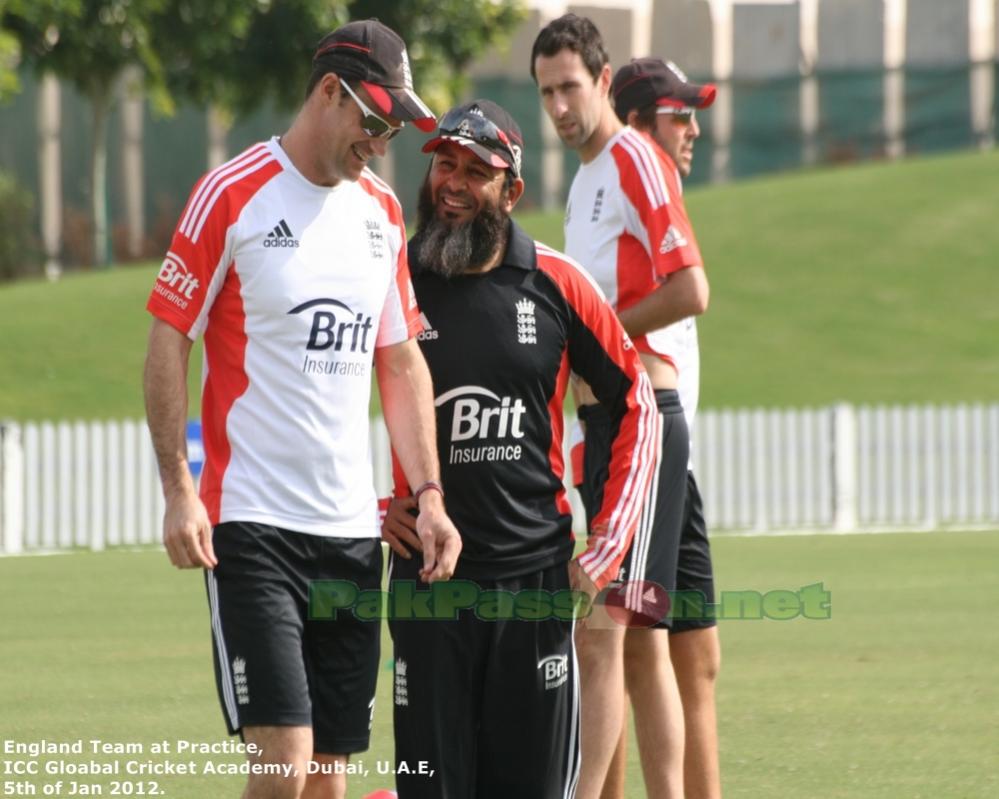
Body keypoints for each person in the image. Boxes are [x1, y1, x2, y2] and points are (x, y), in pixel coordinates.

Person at [142, 19, 461, 799]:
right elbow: (166, 340)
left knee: (327, 776)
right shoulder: (232, 193)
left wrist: (428, 496)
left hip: (351, 537)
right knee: (283, 762)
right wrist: (179, 492)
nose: (381, 142)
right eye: (375, 120)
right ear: (329, 92)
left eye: (392, 128)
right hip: (252, 527)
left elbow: (400, 359)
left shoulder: (382, 215)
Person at [380, 99, 661, 799]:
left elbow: (637, 405)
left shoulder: (557, 283)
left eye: (476, 171)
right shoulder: (388, 277)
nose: (452, 181)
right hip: (426, 589)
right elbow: (308, 395)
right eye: (444, 162)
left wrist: (602, 548)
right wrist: (368, 505)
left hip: (533, 588)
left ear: (512, 193)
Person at [532, 15, 711, 799]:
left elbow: (690, 289)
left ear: (603, 83)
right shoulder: (583, 180)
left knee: (607, 631)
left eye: (571, 86)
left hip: (643, 422)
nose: (560, 106)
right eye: (546, 93)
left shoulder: (634, 158)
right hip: (611, 426)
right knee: (635, 643)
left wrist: (595, 337)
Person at [603, 56, 722, 799]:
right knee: (626, 647)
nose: (694, 129)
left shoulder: (657, 205)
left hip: (675, 460)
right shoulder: (617, 190)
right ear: (641, 124)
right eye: (680, 115)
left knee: (697, 654)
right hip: (635, 455)